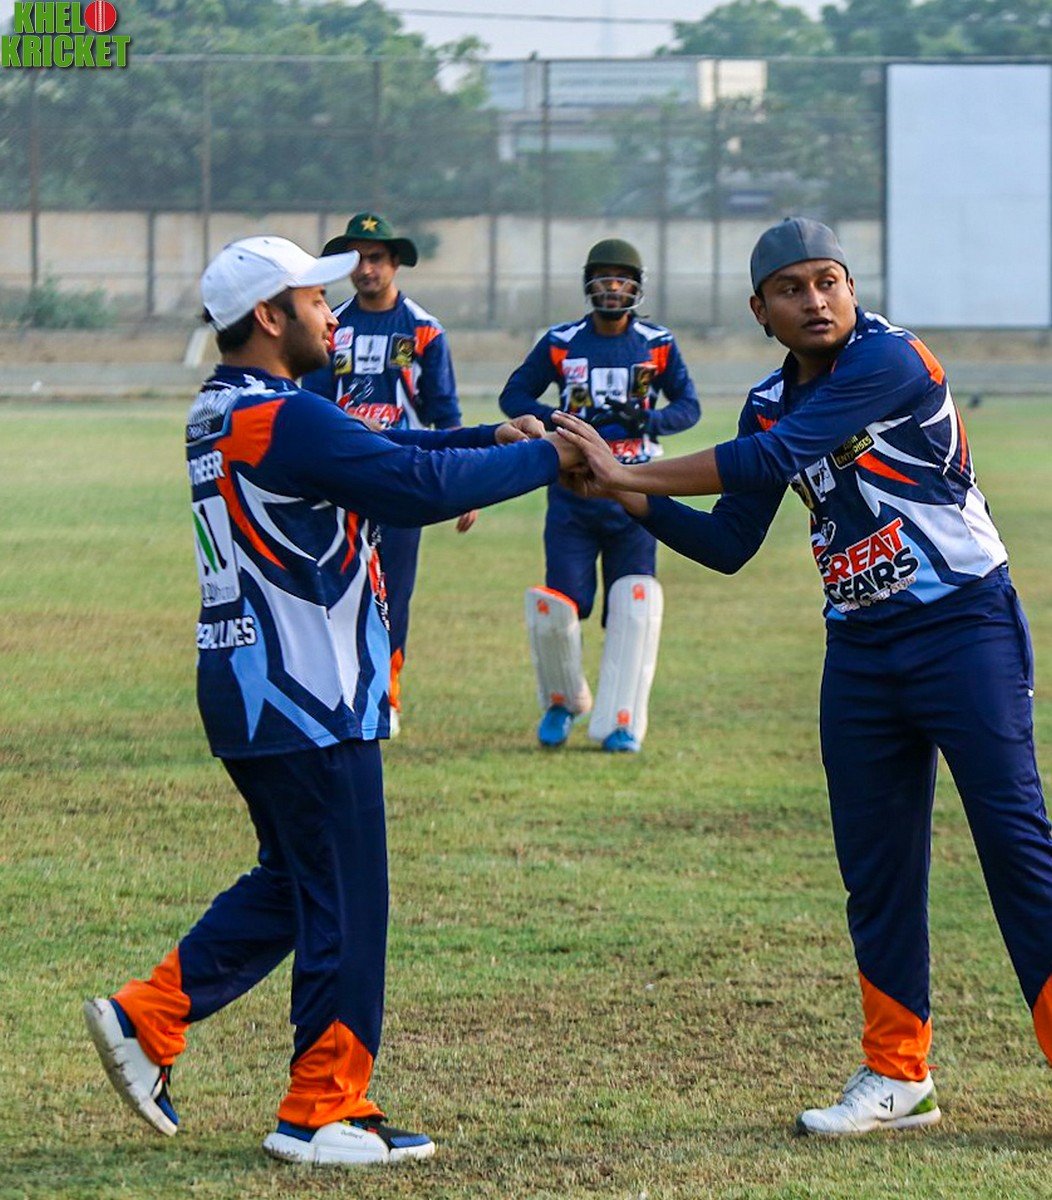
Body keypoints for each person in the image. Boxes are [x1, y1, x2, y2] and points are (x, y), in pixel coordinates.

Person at [553, 218, 1052, 1144]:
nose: (815, 300)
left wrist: (631, 467)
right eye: (792, 288)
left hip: (964, 628)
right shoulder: (768, 400)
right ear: (760, 310)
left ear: (852, 288)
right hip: (860, 649)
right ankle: (899, 1076)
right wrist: (620, 493)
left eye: (829, 281)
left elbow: (774, 459)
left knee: (1015, 843)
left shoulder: (891, 359)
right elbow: (730, 542)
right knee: (876, 867)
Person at [83, 235, 578, 1167]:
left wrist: (490, 437)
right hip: (307, 693)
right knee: (346, 898)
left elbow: (386, 449)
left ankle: (148, 1018)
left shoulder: (229, 409)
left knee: (295, 882)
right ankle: (321, 1111)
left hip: (250, 687)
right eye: (315, 299)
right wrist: (553, 456)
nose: (333, 313)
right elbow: (412, 484)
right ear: (270, 318)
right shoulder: (284, 415)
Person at [499, 237, 701, 753]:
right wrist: (560, 420)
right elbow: (513, 395)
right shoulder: (561, 341)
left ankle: (622, 720)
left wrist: (647, 420)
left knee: (634, 605)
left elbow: (689, 406)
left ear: (637, 286)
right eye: (604, 278)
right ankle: (562, 701)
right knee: (558, 606)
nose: (613, 287)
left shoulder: (658, 342)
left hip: (636, 494)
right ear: (589, 283)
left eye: (622, 278)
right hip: (573, 493)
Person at [303, 211, 466, 738]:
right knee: (333, 583)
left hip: (401, 476)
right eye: (356, 259)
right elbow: (312, 405)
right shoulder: (330, 326)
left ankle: (386, 693)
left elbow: (445, 413)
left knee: (393, 590)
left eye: (375, 258)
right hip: (341, 478)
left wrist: (464, 486)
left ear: (395, 262)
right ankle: (336, 689)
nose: (365, 269)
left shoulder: (424, 330)